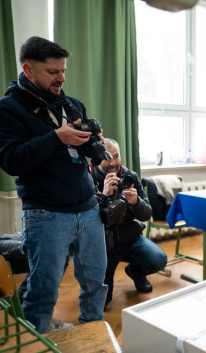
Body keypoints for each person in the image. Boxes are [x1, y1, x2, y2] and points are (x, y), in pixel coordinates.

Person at [0, 36, 108, 333]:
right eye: (53, 72)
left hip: (88, 209)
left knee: (96, 284)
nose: (61, 78)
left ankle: (93, 339)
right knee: (43, 293)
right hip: (45, 214)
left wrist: (93, 143)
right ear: (29, 69)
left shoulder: (72, 105)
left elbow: (83, 151)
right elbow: (11, 161)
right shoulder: (8, 108)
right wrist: (56, 137)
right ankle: (37, 342)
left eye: (63, 71)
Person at [90, 138, 167, 306]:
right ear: (96, 159)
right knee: (103, 302)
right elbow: (85, 219)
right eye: (107, 157)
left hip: (129, 238)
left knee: (158, 260)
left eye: (116, 156)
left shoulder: (130, 176)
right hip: (102, 245)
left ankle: (136, 271)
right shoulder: (88, 178)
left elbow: (146, 214)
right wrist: (103, 195)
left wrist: (136, 202)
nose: (112, 162)